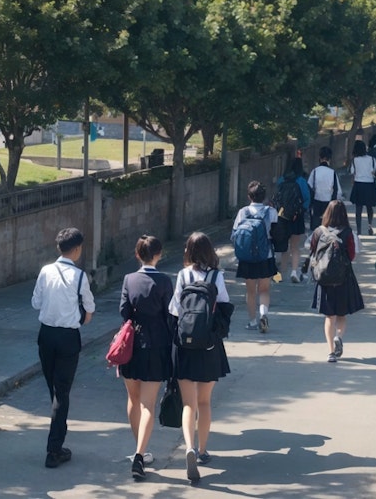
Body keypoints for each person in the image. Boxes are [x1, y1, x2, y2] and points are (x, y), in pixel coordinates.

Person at [169, 232, 233, 484]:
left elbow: (174, 310)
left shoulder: (183, 275)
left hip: (185, 346)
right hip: (209, 347)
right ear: (210, 251)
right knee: (205, 402)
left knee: (188, 404)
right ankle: (203, 450)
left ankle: (189, 447)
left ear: (188, 251)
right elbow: (226, 307)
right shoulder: (217, 277)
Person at [30, 227, 95, 469]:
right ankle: (54, 448)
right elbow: (89, 310)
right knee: (62, 392)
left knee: (54, 391)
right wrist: (79, 317)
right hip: (68, 338)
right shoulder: (80, 276)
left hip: (46, 336)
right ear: (77, 249)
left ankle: (57, 439)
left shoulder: (45, 271)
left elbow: (36, 302)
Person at [119, 235, 174, 480]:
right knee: (148, 404)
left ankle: (139, 449)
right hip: (156, 344)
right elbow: (171, 314)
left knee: (133, 397)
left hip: (131, 345)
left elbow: (124, 311)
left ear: (138, 255)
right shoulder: (164, 281)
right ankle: (140, 455)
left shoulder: (129, 279)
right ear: (158, 254)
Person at [309, 200, 365, 363]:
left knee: (329, 317)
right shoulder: (348, 232)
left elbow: (312, 250)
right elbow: (352, 255)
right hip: (344, 278)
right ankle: (339, 337)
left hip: (324, 278)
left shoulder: (319, 231)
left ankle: (331, 352)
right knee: (341, 314)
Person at [232, 181, 278, 333]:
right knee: (264, 289)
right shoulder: (271, 212)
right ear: (264, 197)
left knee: (250, 291)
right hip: (266, 256)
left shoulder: (242, 212)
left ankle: (252, 321)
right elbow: (277, 233)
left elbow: (234, 235)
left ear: (249, 196)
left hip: (247, 257)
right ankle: (263, 315)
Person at [277, 157, 312, 283]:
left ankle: (281, 274)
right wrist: (302, 210)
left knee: (284, 247)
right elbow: (307, 199)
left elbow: (277, 198)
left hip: (282, 217)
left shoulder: (281, 180)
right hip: (297, 217)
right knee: (295, 246)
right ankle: (294, 272)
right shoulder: (301, 181)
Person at [348, 139, 376, 236]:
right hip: (369, 184)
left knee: (358, 208)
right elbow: (373, 171)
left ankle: (359, 230)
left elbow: (352, 172)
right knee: (369, 207)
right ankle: (370, 225)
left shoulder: (355, 160)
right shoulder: (372, 159)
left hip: (358, 184)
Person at [307, 146, 343, 231]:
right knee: (328, 227)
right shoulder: (332, 172)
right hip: (329, 203)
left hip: (316, 202)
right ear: (330, 159)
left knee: (316, 228)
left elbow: (309, 186)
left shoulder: (315, 171)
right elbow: (337, 191)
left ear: (319, 158)